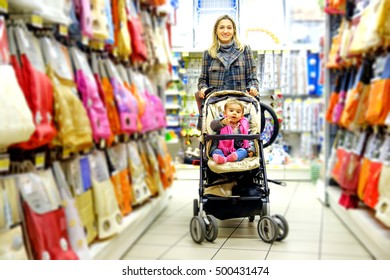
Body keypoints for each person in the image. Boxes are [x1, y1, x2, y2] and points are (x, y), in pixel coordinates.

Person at [196, 14, 260, 116]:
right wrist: (203, 89)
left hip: (240, 106)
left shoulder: (244, 50)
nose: (225, 31)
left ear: (234, 30)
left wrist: (253, 87)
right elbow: (203, 80)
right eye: (221, 27)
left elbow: (252, 78)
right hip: (216, 107)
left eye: (229, 28)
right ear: (216, 30)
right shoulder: (208, 53)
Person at [210, 99, 255, 164]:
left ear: (242, 116)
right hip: (221, 148)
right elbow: (213, 127)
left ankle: (231, 158)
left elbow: (250, 139)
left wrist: (251, 149)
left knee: (243, 151)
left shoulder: (244, 125)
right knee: (216, 151)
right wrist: (222, 122)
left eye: (238, 112)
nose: (234, 113)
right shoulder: (221, 122)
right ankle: (222, 159)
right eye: (231, 111)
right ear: (225, 113)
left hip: (237, 150)